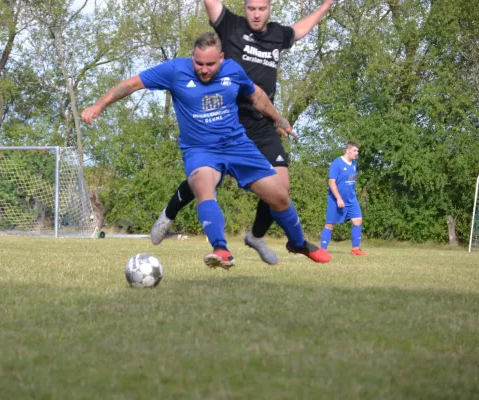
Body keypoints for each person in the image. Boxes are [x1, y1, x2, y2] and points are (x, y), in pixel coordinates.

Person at [81, 32, 331, 269]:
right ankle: (220, 248)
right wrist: (99, 105)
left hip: (238, 146)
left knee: (278, 194)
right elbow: (132, 84)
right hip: (200, 150)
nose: (203, 69)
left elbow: (257, 97)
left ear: (221, 59)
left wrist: (279, 119)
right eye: (199, 63)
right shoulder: (175, 70)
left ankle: (297, 244)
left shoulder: (233, 70)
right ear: (193, 57)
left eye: (210, 64)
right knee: (202, 185)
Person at [151, 0, 335, 265]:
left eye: (262, 9)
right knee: (204, 177)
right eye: (251, 8)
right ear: (245, 7)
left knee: (281, 187)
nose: (256, 14)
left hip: (261, 122)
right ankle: (170, 212)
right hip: (229, 118)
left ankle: (257, 236)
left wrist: (325, 6)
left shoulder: (277, 34)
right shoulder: (230, 25)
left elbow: (300, 30)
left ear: (270, 8)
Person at [320, 142, 367, 256]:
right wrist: (339, 198)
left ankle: (355, 249)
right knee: (330, 224)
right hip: (336, 199)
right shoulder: (337, 163)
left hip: (351, 200)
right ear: (348, 150)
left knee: (358, 220)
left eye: (358, 151)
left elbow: (350, 181)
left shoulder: (354, 164)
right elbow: (331, 182)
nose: (357, 153)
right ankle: (322, 250)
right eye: (355, 151)